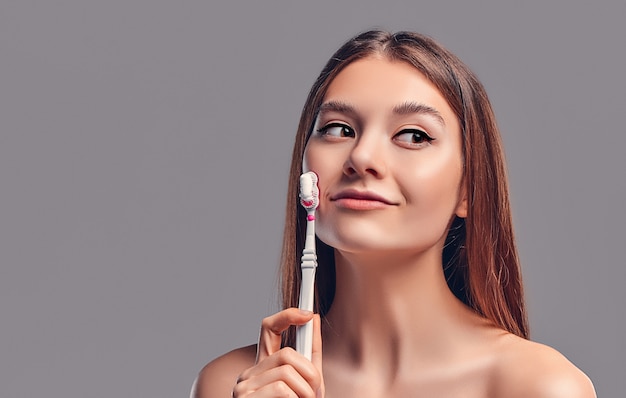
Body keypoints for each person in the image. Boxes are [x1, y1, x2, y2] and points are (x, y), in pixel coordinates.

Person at [191, 30, 596, 397]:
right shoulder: (228, 384)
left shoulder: (539, 387)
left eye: (413, 135)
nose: (362, 157)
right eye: (337, 129)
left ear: (469, 187)